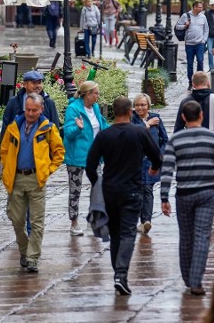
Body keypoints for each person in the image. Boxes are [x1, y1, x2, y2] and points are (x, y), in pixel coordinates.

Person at [85, 96, 163, 296]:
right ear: (130, 111)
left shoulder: (104, 135)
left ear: (113, 112)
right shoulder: (139, 132)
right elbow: (157, 155)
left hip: (110, 191)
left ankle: (118, 274)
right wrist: (154, 168)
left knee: (116, 235)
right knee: (128, 232)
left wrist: (97, 183)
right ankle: (121, 274)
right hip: (133, 189)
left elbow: (90, 165)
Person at [160, 100, 214, 295]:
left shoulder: (175, 140)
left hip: (184, 193)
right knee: (202, 235)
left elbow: (167, 169)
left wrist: (164, 197)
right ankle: (196, 280)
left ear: (183, 117)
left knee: (186, 236)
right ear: (201, 115)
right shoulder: (213, 137)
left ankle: (187, 277)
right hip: (208, 192)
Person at [0, 93, 65, 273]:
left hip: (37, 179)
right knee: (16, 220)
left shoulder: (48, 128)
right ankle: (24, 250)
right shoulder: (15, 126)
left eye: (34, 110)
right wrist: (8, 167)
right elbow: (4, 149)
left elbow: (59, 152)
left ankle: (32, 258)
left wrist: (47, 170)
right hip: (16, 178)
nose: (30, 113)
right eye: (28, 109)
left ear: (41, 109)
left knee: (37, 222)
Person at [62, 80, 108, 236]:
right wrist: (78, 128)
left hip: (95, 156)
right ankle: (74, 222)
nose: (98, 96)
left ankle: (94, 218)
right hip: (77, 157)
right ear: (87, 94)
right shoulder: (73, 109)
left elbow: (103, 124)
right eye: (96, 93)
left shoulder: (95, 107)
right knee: (75, 190)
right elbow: (68, 132)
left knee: (98, 189)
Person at [131, 93, 168, 233]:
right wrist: (147, 124)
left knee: (147, 189)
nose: (140, 108)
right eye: (137, 105)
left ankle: (146, 220)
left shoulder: (156, 119)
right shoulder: (132, 120)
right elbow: (133, 134)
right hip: (136, 162)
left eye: (143, 105)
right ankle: (139, 218)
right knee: (138, 190)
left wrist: (160, 154)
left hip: (151, 162)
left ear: (148, 105)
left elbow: (164, 139)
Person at [1, 70, 62, 136]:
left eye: (39, 83)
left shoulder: (48, 102)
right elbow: (6, 127)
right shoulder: (14, 102)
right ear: (24, 84)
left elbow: (55, 128)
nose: (37, 86)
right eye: (34, 83)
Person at [175, 0, 210, 85]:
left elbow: (206, 30)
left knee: (200, 61)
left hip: (200, 43)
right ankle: (191, 82)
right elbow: (177, 26)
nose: (201, 9)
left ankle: (200, 81)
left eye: (202, 7)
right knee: (190, 63)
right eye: (199, 7)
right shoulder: (185, 16)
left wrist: (204, 40)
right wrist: (185, 26)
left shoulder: (203, 17)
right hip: (189, 44)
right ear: (194, 7)